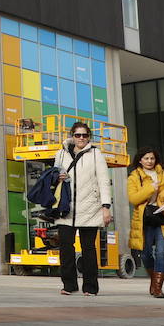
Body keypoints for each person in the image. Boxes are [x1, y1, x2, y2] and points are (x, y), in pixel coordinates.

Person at [53, 122, 113, 296]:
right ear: (72, 136)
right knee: (66, 247)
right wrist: (58, 177)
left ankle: (90, 287)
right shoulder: (61, 153)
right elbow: (53, 176)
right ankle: (69, 285)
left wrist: (106, 207)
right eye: (77, 135)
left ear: (89, 137)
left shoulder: (96, 154)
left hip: (90, 208)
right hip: (66, 208)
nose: (81, 138)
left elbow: (104, 181)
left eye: (85, 135)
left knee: (88, 248)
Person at [126, 148, 164, 298]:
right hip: (145, 219)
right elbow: (133, 199)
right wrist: (150, 188)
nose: (149, 161)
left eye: (152, 158)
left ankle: (158, 288)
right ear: (140, 160)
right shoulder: (134, 177)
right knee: (145, 254)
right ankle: (154, 281)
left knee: (161, 252)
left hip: (163, 218)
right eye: (146, 158)